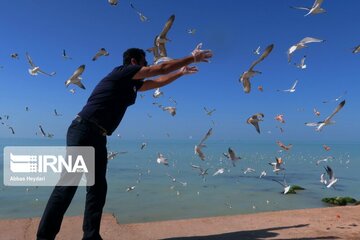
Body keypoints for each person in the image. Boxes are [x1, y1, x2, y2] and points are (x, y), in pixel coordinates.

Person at [36, 46, 213, 240]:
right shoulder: (122, 72)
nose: (148, 64)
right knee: (68, 185)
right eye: (145, 61)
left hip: (99, 135)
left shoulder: (132, 84)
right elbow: (160, 70)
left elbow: (157, 82)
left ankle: (91, 236)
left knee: (97, 188)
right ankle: (44, 237)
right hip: (84, 129)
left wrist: (180, 72)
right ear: (134, 62)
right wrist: (191, 57)